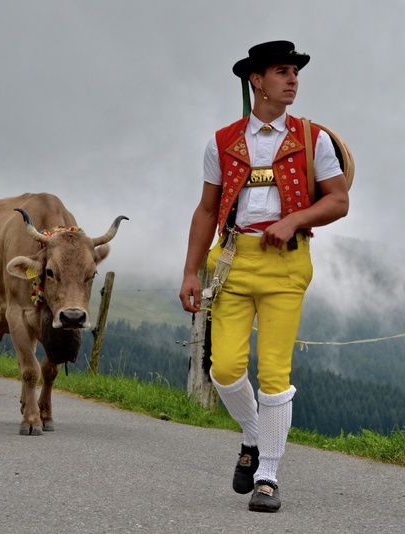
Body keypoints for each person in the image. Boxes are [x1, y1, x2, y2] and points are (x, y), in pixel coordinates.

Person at [179, 41, 350, 512]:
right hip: (232, 261)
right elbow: (207, 209)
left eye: (295, 71)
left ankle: (268, 475)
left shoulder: (312, 137)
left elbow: (338, 199)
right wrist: (191, 270)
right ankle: (253, 437)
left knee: (275, 374)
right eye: (282, 71)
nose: (292, 79)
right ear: (257, 80)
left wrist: (294, 221)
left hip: (286, 263)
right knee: (225, 369)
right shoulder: (222, 140)